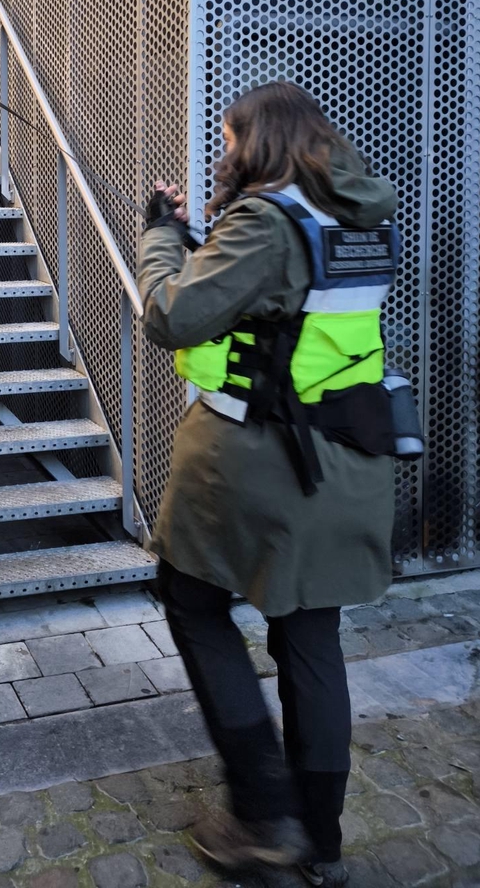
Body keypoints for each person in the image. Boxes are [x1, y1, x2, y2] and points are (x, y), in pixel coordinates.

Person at [137, 82, 401, 887]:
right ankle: (319, 843)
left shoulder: (266, 220)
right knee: (310, 636)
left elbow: (173, 315)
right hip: (349, 457)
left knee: (190, 598)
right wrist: (203, 241)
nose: (225, 152)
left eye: (229, 138)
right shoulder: (361, 214)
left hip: (262, 463)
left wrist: (161, 237)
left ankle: (260, 810)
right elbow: (287, 310)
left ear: (256, 141)